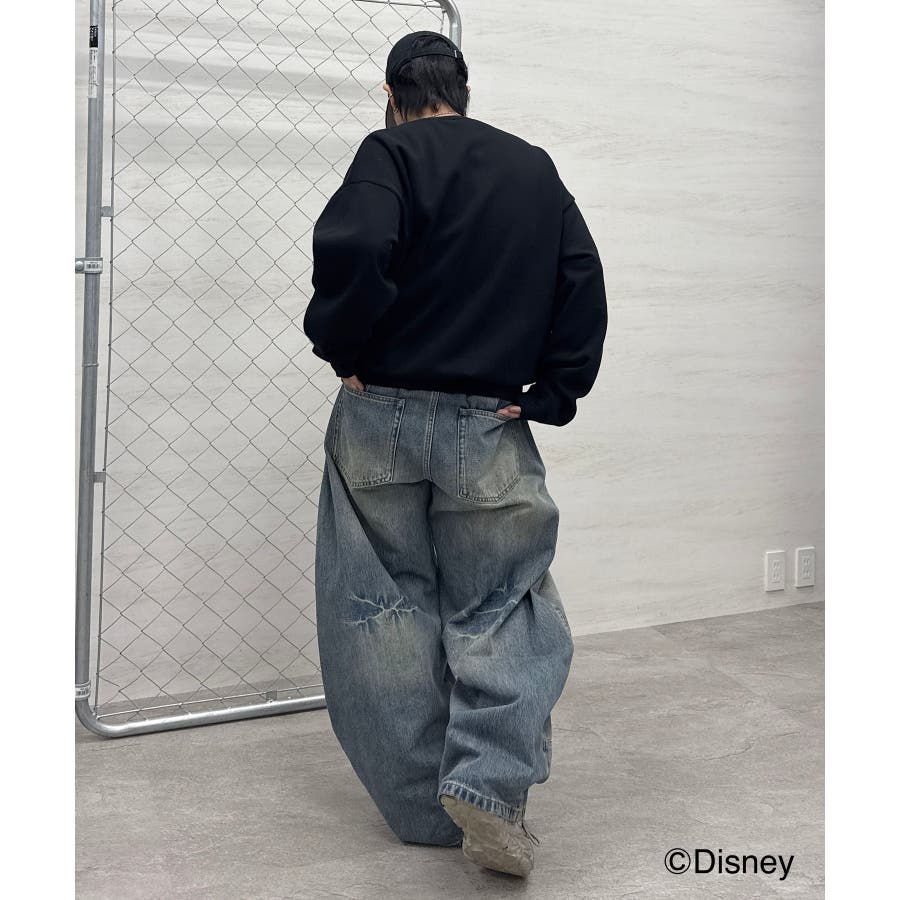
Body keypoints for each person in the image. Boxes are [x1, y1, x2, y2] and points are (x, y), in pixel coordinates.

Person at [302, 30, 608, 878]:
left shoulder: (389, 155)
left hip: (379, 415)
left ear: (390, 94)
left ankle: (423, 812)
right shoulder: (531, 167)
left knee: (380, 609)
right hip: (488, 421)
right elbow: (582, 279)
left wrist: (344, 348)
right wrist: (554, 391)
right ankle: (487, 787)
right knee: (502, 602)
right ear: (463, 89)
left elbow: (356, 248)